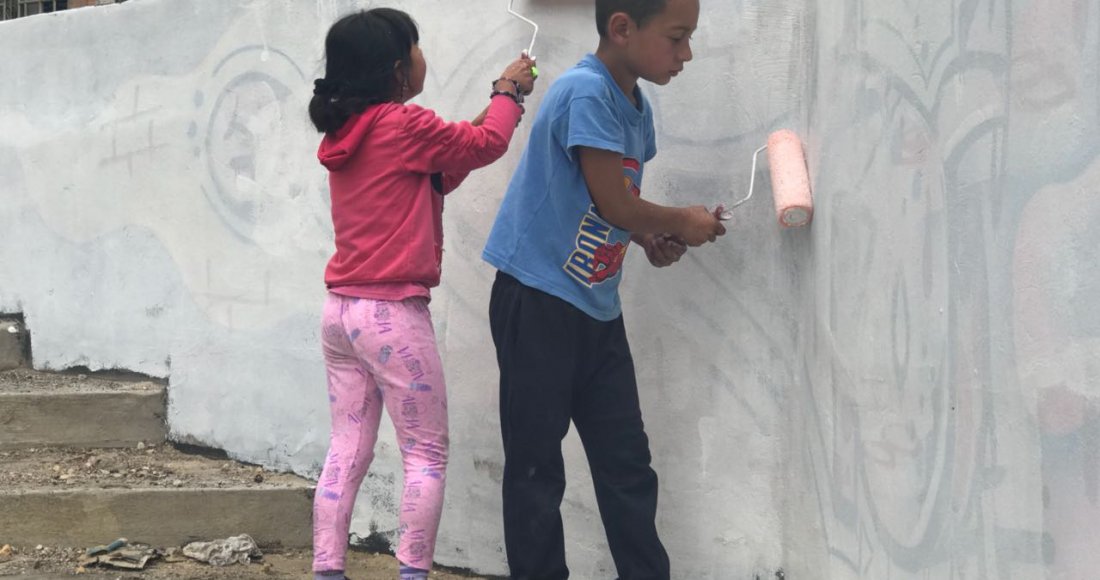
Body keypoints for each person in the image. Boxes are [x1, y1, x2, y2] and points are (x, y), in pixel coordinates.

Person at [481, 0, 722, 577]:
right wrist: (678, 220)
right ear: (622, 28)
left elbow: (612, 205)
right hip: (537, 300)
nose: (686, 53)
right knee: (537, 470)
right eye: (677, 37)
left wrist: (645, 237)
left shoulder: (637, 107)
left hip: (594, 309)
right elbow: (615, 201)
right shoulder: (585, 92)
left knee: (627, 466)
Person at [307, 8, 537, 580]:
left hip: (341, 316)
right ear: (397, 70)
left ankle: (327, 570)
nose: (422, 57)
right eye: (417, 48)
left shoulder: (350, 131)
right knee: (426, 457)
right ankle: (412, 573)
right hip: (392, 320)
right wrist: (509, 90)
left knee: (346, 450)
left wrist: (497, 106)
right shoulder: (403, 125)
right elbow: (485, 145)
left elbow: (444, 168)